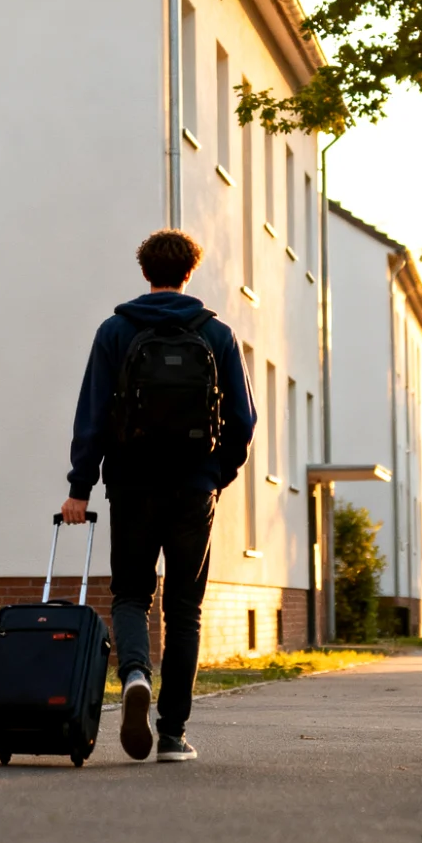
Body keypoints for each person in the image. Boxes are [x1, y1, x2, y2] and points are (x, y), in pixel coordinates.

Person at [60, 229, 254, 763]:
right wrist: (218, 474)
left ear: (146, 272)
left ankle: (135, 676)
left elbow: (92, 414)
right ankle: (172, 734)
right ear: (189, 272)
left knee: (130, 595)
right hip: (194, 487)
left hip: (131, 483)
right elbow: (243, 420)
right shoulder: (216, 334)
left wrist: (80, 487)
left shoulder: (116, 330)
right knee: (184, 609)